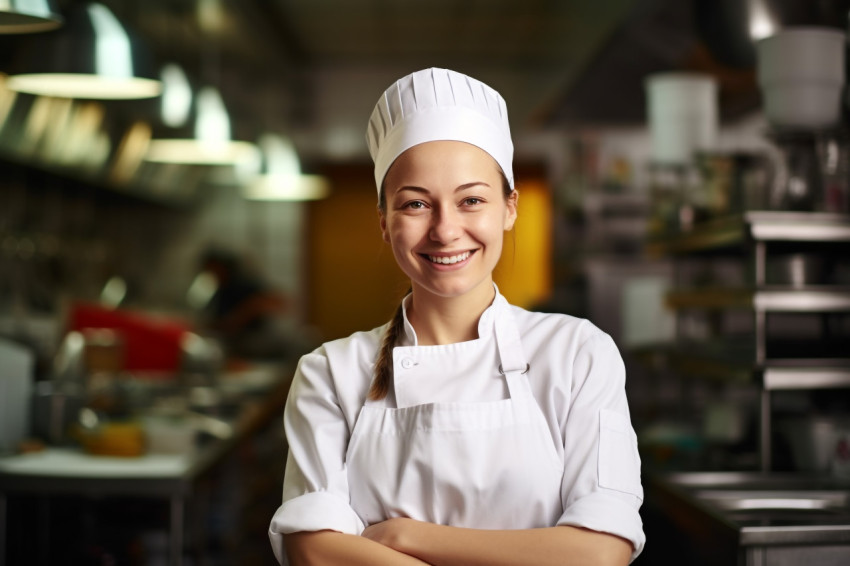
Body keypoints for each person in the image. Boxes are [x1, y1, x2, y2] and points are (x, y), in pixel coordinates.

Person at [269, 68, 645, 565]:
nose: (446, 231)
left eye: (471, 200)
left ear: (509, 208)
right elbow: (314, 551)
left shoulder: (577, 353)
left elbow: (601, 553)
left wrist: (405, 538)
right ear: (384, 222)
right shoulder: (330, 373)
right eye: (416, 204)